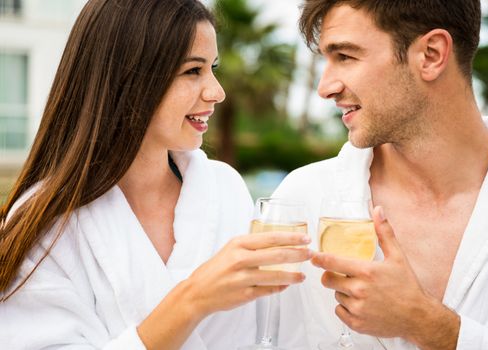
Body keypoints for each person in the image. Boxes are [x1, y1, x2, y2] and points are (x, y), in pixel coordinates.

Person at [0, 0, 312, 349]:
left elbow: (269, 332)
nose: (217, 91)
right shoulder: (47, 222)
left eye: (213, 68)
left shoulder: (225, 190)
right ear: (129, 79)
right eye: (193, 71)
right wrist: (193, 299)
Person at [273, 0, 488, 349]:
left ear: (431, 54)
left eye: (345, 56)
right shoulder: (301, 200)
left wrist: (426, 324)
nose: (325, 87)